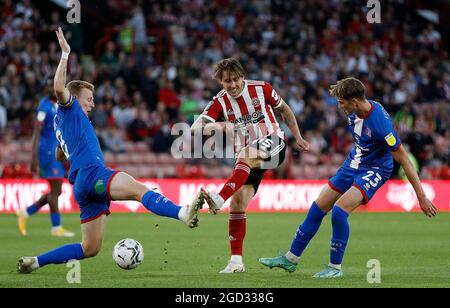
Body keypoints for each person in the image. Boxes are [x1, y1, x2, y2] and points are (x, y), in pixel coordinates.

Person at [17, 27, 204, 274]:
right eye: (89, 98)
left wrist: (72, 151)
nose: (93, 103)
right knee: (140, 190)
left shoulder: (63, 123)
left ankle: (35, 261)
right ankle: (183, 213)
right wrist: (65, 54)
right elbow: (60, 87)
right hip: (93, 174)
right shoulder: (68, 108)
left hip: (82, 184)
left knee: (90, 248)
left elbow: (60, 154)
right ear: (75, 98)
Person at [259, 77, 438, 278]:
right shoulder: (355, 111)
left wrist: (421, 197)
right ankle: (290, 259)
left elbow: (404, 160)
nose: (339, 106)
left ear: (354, 101)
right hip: (353, 163)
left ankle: (334, 268)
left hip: (376, 169)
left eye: (342, 102)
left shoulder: (381, 125)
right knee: (318, 207)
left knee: (339, 211)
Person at [190, 58, 309, 273]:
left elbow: (286, 110)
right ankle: (236, 262)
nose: (233, 85)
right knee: (238, 203)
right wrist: (220, 124)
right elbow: (195, 128)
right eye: (227, 81)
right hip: (248, 159)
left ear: (242, 77)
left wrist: (298, 137)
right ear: (221, 82)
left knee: (244, 155)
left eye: (236, 79)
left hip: (273, 143)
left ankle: (218, 198)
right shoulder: (219, 101)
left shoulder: (262, 88)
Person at [16, 76, 75, 237]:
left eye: (54, 85)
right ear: (46, 88)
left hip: (57, 152)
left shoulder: (60, 104)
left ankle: (25, 213)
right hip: (47, 153)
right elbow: (36, 133)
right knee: (56, 189)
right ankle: (56, 227)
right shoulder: (44, 107)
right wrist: (33, 158)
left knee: (56, 191)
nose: (52, 88)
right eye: (49, 85)